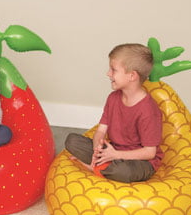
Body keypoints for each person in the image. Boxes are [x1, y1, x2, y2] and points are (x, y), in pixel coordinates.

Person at [65, 43, 163, 182]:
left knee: (123, 172)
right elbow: (101, 130)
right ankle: (103, 166)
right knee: (72, 141)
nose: (108, 73)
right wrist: (97, 149)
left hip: (140, 161)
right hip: (112, 151)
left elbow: (149, 152)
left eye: (113, 70)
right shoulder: (113, 98)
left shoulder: (148, 111)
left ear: (132, 75)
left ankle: (97, 168)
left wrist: (116, 155)